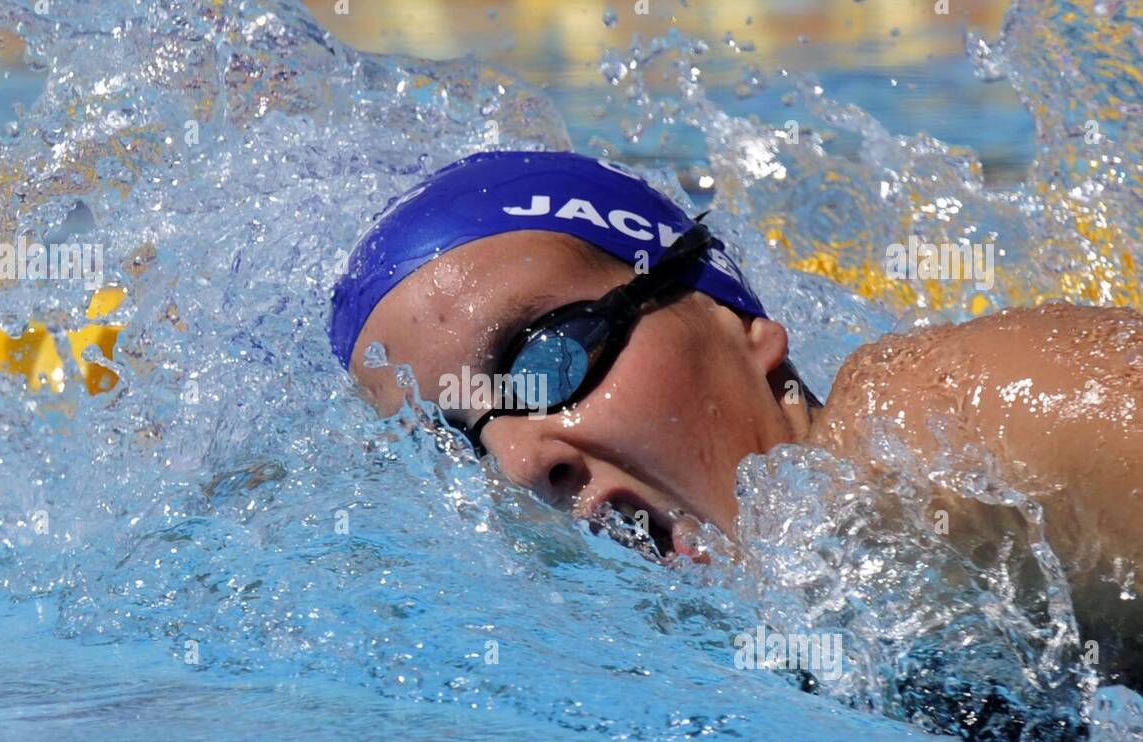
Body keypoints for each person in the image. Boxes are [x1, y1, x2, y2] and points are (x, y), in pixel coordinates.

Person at [330, 150, 1143, 686]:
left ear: (739, 325)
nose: (514, 464)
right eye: (456, 445)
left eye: (547, 358)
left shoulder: (939, 426)